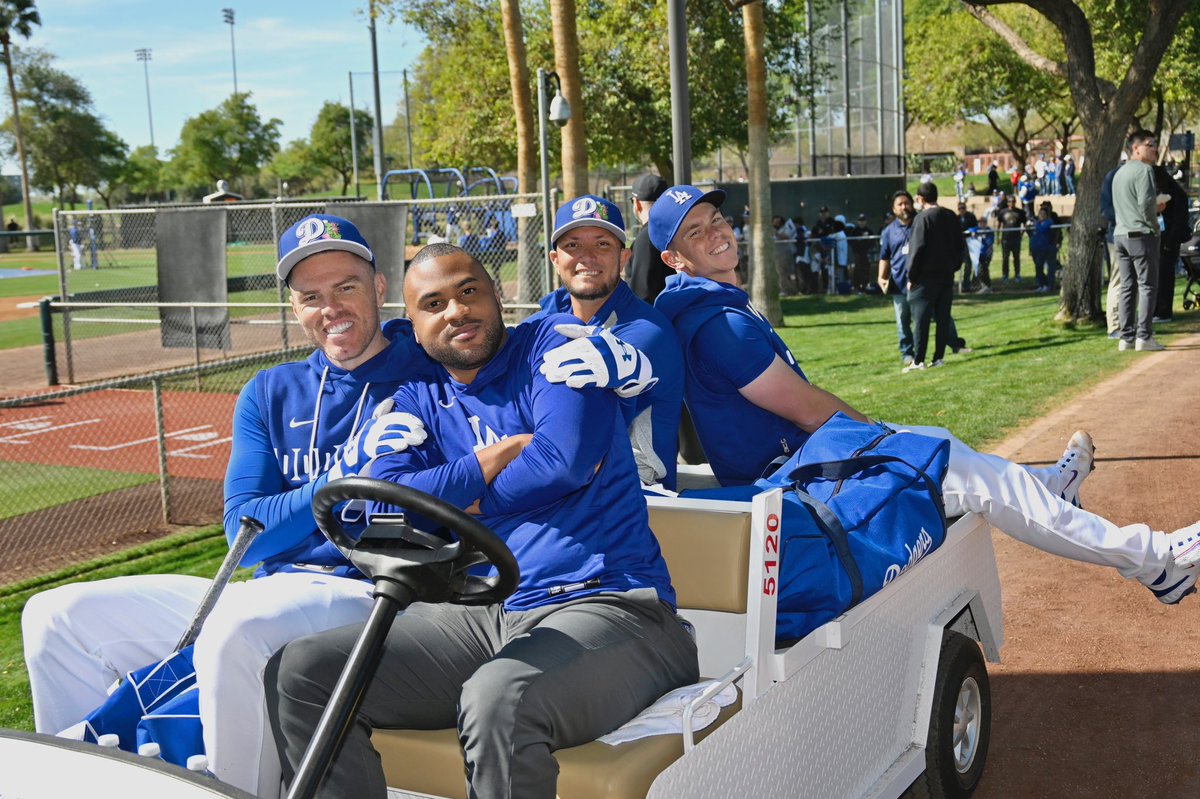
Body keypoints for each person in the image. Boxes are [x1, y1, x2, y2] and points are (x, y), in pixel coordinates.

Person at [22, 215, 436, 797]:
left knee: (237, 627)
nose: (331, 308)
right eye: (311, 296)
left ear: (379, 286)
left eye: (346, 286)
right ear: (294, 308)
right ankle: (81, 784)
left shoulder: (429, 369)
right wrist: (338, 479)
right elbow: (247, 537)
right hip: (270, 585)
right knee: (55, 616)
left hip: (371, 594)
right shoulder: (270, 391)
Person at [265, 244, 699, 799]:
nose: (456, 311)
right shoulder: (418, 397)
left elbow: (562, 463)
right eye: (433, 304)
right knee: (302, 672)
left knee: (499, 697)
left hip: (612, 604)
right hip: (486, 612)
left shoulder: (555, 346)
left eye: (469, 291)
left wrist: (455, 497)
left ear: (497, 295)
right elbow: (381, 506)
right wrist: (492, 459)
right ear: (413, 326)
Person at [648, 184, 1200, 605]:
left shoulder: (706, 304)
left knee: (941, 443)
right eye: (695, 232)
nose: (716, 232)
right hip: (794, 484)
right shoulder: (719, 325)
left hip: (802, 465)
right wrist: (883, 438)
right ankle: (1154, 561)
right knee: (967, 474)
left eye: (716, 218)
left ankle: (1050, 488)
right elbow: (807, 408)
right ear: (674, 259)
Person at [537, 194, 683, 489]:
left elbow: (572, 436)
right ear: (555, 260)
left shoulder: (647, 331)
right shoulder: (544, 320)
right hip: (565, 492)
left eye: (602, 244)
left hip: (637, 500)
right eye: (572, 245)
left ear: (623, 258)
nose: (587, 257)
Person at [1113, 129, 1165, 352]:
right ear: (1136, 148)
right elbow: (1145, 205)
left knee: (1127, 287)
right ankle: (1144, 336)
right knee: (1147, 286)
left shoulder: (1119, 173)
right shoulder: (1145, 171)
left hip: (1120, 235)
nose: (1154, 149)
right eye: (1149, 145)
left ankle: (1126, 338)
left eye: (1154, 144)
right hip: (1141, 235)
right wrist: (1155, 225)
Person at [905, 182, 963, 372]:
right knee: (942, 317)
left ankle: (919, 360)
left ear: (921, 199)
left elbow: (917, 248)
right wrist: (953, 266)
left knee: (921, 319)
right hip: (946, 274)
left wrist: (911, 276)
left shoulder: (922, 218)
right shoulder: (950, 216)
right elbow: (960, 245)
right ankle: (938, 357)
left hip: (925, 277)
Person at [878, 191, 917, 368]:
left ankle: (954, 344)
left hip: (920, 283)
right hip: (899, 283)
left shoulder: (920, 224)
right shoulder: (889, 232)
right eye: (900, 204)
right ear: (894, 209)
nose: (904, 207)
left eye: (906, 203)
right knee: (903, 321)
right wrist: (881, 277)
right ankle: (907, 353)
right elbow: (884, 257)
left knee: (934, 317)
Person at [624, 173, 674, 304]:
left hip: (655, 314)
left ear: (637, 204)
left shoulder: (647, 236)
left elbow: (642, 295)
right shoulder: (675, 229)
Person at [1153, 163, 1189, 322]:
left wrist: (1171, 241)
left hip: (1169, 239)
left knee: (1165, 275)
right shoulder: (1167, 190)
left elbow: (1179, 221)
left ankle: (1163, 311)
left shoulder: (1176, 194)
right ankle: (1156, 309)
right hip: (1162, 238)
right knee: (1159, 276)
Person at [997, 196, 1027, 282]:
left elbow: (1024, 224)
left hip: (1016, 238)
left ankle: (1017, 274)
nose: (1012, 203)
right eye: (1010, 201)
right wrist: (998, 237)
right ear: (1007, 203)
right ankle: (1005, 275)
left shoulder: (1020, 212)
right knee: (1005, 257)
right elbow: (999, 224)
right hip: (1005, 238)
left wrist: (1021, 234)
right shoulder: (1002, 212)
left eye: (1013, 201)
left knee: (1016, 257)